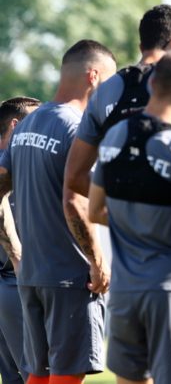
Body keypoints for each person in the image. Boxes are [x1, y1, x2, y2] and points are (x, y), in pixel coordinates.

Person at [88, 50, 171, 384]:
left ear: (152, 83)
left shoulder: (113, 137)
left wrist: (136, 222)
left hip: (126, 292)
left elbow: (95, 210)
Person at [0, 40, 116, 384]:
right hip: (70, 277)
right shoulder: (78, 128)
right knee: (66, 376)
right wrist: (97, 262)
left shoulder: (26, 126)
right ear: (93, 76)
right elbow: (75, 201)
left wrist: (17, 252)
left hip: (32, 276)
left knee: (38, 376)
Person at [65, 4, 171, 199]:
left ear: (142, 47)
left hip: (119, 215)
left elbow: (74, 177)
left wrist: (118, 205)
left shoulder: (103, 92)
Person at [0, 96, 41, 384]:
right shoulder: (12, 166)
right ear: (15, 125)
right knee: (35, 374)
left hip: (12, 284)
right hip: (14, 282)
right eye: (35, 122)